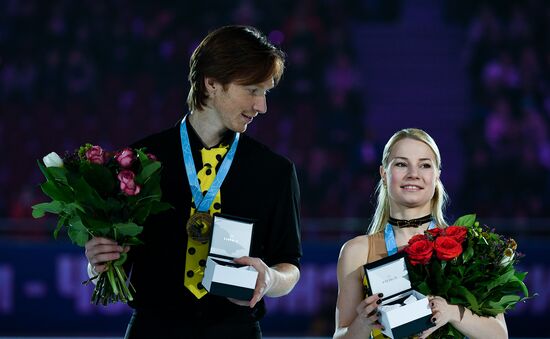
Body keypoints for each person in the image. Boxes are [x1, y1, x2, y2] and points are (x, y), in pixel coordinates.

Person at [84, 25, 302, 339]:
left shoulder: (276, 171)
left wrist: (269, 279)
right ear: (211, 83)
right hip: (153, 330)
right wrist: (97, 265)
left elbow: (289, 264)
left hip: (236, 331)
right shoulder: (138, 161)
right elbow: (115, 261)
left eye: (265, 92)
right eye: (252, 90)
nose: (261, 106)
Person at [332, 128, 508, 339]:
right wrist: (363, 322)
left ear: (437, 176)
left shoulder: (466, 246)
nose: (413, 174)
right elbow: (341, 334)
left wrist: (452, 313)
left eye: (424, 165)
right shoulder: (356, 251)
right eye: (401, 164)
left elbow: (500, 335)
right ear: (383, 174)